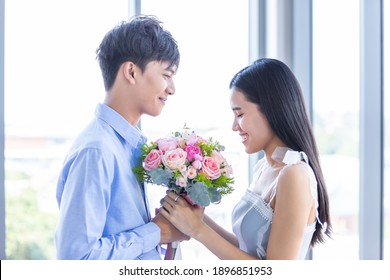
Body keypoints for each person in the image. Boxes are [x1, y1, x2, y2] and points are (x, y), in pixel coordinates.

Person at [160, 58, 332, 260]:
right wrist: (196, 218)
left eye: (239, 114)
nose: (235, 126)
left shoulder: (294, 175)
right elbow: (248, 252)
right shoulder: (264, 168)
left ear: (271, 109)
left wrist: (198, 229)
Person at [55, 15, 188, 260]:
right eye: (167, 74)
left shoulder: (129, 146)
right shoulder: (97, 150)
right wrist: (155, 232)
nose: (172, 88)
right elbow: (76, 258)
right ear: (131, 72)